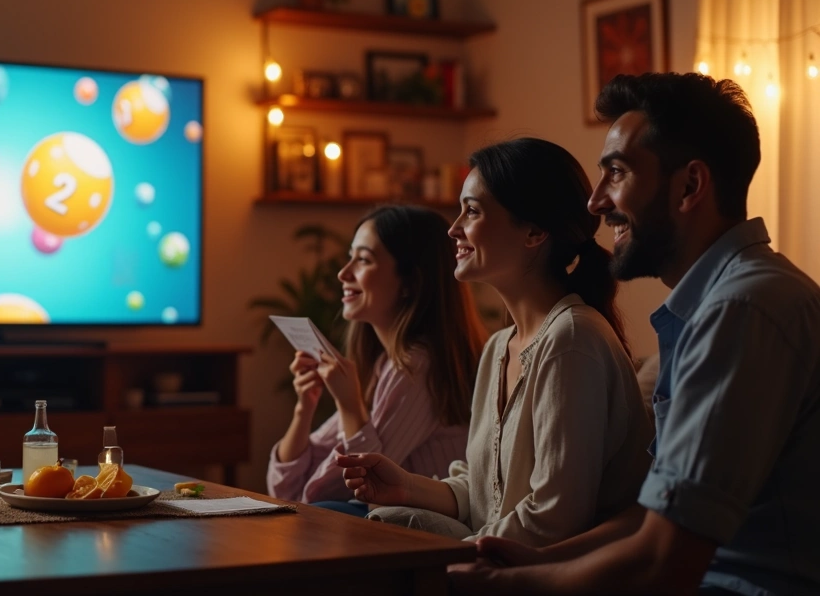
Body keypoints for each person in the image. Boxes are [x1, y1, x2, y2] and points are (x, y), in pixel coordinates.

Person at [451, 74, 820, 596]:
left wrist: (516, 583)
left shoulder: (743, 309)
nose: (596, 202)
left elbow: (665, 561)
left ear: (690, 186)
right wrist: (539, 560)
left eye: (617, 173)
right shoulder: (713, 306)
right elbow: (654, 517)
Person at [338, 138, 653, 545]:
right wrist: (406, 486)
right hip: (503, 554)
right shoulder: (498, 347)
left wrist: (459, 557)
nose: (454, 228)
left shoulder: (572, 339)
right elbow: (484, 491)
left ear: (534, 231)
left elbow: (555, 517)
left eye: (472, 211)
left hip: (554, 568)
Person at [267, 205, 487, 515]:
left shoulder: (418, 365)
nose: (343, 274)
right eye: (350, 257)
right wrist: (305, 407)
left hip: (425, 524)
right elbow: (285, 490)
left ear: (410, 283)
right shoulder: (385, 364)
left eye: (364, 260)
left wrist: (350, 406)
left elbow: (358, 483)